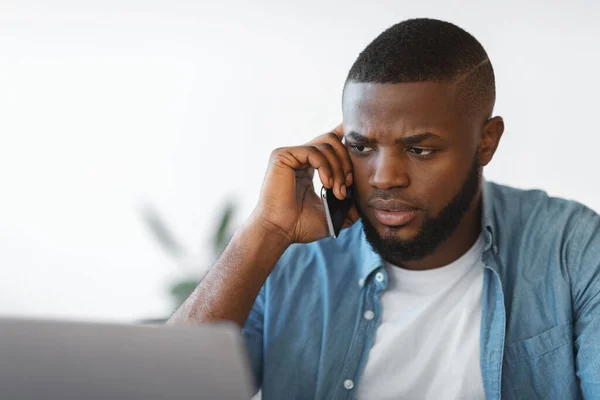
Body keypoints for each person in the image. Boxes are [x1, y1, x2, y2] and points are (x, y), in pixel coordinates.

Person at [168, 18, 600, 399]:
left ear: (486, 142)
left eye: (420, 149)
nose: (384, 177)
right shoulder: (292, 254)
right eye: (361, 146)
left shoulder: (570, 246)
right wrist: (266, 231)